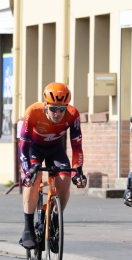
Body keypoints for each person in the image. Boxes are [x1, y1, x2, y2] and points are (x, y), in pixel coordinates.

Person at [19, 82, 87, 249]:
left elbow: (77, 147)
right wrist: (27, 172)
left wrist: (77, 172)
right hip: (34, 149)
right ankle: (28, 228)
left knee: (64, 180)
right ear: (45, 106)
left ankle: (54, 221)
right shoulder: (32, 112)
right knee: (35, 179)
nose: (57, 113)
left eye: (61, 109)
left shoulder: (73, 114)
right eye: (53, 109)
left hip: (55, 149)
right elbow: (23, 147)